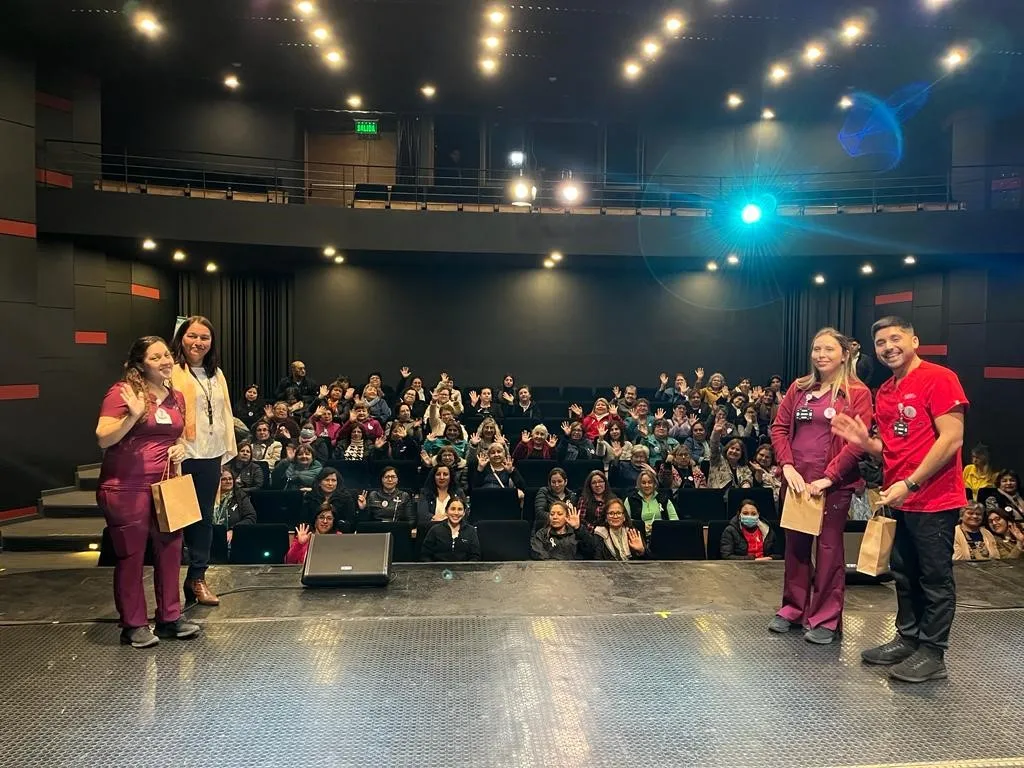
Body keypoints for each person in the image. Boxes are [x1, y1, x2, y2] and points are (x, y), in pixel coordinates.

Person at [832, 315, 968, 683]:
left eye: (896, 339)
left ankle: (932, 653)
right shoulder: (887, 391)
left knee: (934, 578)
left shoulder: (940, 379)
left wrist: (911, 482)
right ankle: (908, 640)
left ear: (914, 341)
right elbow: (889, 450)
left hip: (935, 499)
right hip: (900, 497)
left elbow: (951, 439)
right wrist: (865, 443)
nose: (889, 347)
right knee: (904, 574)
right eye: (881, 343)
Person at [769, 327, 873, 645]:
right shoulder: (799, 388)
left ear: (844, 354)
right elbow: (779, 428)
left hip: (832, 485)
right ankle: (793, 609)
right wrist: (787, 467)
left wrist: (829, 476)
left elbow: (857, 442)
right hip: (797, 482)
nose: (821, 355)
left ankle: (826, 618)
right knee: (795, 548)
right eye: (816, 349)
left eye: (828, 349)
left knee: (828, 550)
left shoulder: (857, 393)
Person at [95, 336, 199, 647]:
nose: (166, 361)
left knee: (170, 551)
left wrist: (180, 449)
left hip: (166, 486)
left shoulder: (176, 396)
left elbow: (174, 436)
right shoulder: (123, 392)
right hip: (126, 487)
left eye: (167, 354)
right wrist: (132, 415)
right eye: (156, 358)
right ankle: (134, 624)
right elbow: (102, 438)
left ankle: (169, 617)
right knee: (132, 555)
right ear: (140, 364)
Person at [169, 316, 237, 608]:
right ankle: (167, 584)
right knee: (175, 523)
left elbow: (223, 413)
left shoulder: (216, 373)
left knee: (204, 520)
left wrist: (224, 452)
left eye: (205, 338)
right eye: (192, 336)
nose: (198, 343)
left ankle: (197, 578)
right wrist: (175, 444)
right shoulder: (170, 371)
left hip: (210, 455)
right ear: (181, 338)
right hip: (181, 456)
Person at [530, 501, 597, 560]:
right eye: (552, 514)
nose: (555, 517)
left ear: (567, 516)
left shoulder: (576, 533)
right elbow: (536, 553)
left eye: (559, 514)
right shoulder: (542, 534)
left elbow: (590, 550)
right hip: (550, 570)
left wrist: (578, 528)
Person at [419, 498, 481, 562]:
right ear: (446, 511)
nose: (456, 513)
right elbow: (425, 555)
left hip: (463, 570)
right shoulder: (435, 530)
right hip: (438, 570)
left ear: (464, 513)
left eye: (460, 509)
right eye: (452, 509)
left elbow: (475, 556)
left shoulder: (471, 531)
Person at [625, 468, 678, 534]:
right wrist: (642, 526)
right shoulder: (630, 499)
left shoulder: (664, 498)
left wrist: (659, 527)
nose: (647, 485)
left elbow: (674, 519)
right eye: (643, 483)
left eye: (650, 482)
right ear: (639, 485)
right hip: (639, 534)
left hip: (662, 533)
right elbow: (625, 521)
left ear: (654, 484)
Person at [212, 469, 257, 547]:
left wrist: (234, 530)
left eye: (230, 478)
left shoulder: (240, 496)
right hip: (211, 536)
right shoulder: (209, 498)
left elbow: (251, 517)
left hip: (236, 538)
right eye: (224, 479)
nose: (228, 481)